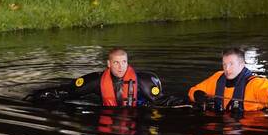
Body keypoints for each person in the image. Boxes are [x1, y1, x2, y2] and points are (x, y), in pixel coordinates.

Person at [25, 47, 164, 106]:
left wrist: (186, 100)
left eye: (123, 62)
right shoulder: (97, 81)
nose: (121, 67)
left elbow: (163, 101)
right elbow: (67, 91)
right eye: (116, 63)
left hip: (136, 118)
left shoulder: (142, 81)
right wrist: (38, 96)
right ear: (109, 64)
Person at [188, 47, 268, 112]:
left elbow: (267, 94)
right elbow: (193, 90)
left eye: (231, 64)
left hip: (248, 126)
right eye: (224, 64)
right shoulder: (217, 78)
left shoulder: (257, 83)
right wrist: (197, 95)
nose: (227, 69)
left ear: (242, 64)